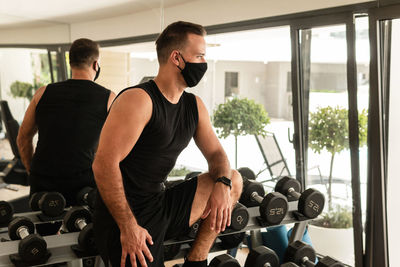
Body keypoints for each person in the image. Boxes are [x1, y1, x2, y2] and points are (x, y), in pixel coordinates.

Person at [92, 21, 243, 267]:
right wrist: (128, 228)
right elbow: (103, 164)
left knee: (233, 179)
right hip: (125, 216)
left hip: (160, 204)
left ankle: (196, 260)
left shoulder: (194, 106)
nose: (203, 63)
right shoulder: (138, 100)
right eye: (199, 56)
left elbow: (217, 154)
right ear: (177, 58)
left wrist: (222, 185)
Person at [17, 38, 115, 207]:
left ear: (71, 63)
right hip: (83, 184)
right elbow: (114, 148)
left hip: (43, 181)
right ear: (95, 64)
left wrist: (32, 171)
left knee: (41, 231)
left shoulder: (43, 93)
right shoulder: (109, 98)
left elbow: (23, 138)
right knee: (85, 232)